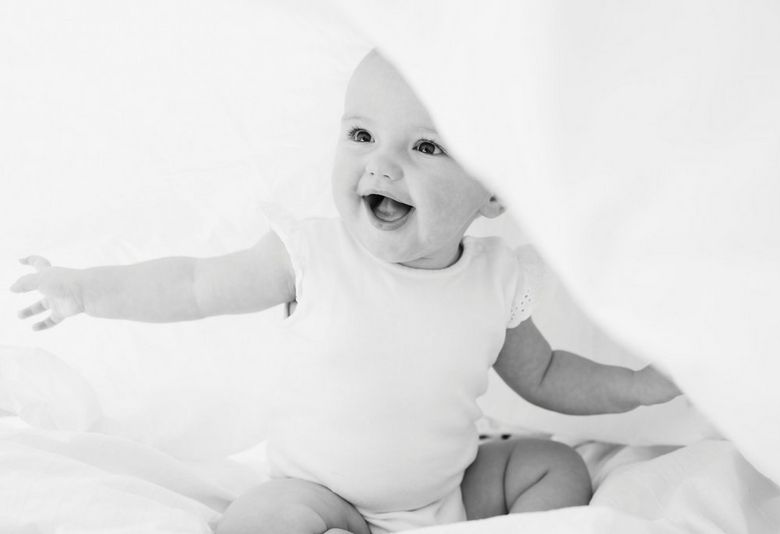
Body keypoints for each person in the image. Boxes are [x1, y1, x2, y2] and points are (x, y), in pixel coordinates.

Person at [11, 50, 681, 534]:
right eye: (361, 134)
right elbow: (193, 284)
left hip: (448, 492)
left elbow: (548, 374)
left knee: (554, 466)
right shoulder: (311, 255)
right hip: (320, 495)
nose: (380, 163)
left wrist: (639, 386)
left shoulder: (495, 277)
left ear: (493, 190)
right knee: (264, 521)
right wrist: (88, 289)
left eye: (426, 147)